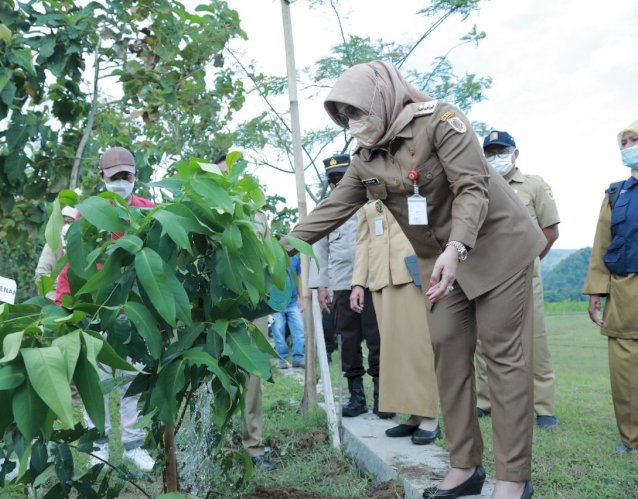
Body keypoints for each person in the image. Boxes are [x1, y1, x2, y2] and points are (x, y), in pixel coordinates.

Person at [283, 61, 544, 499]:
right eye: (343, 115)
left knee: (503, 358)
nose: (352, 123)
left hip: (494, 249)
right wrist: (270, 250)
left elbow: (472, 188)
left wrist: (457, 248)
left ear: (381, 98)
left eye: (357, 110)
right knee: (447, 356)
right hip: (440, 266)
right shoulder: (366, 159)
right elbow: (329, 212)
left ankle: (514, 479)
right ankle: (465, 468)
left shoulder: (442, 120)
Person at [56, 146, 155, 471]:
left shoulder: (149, 212)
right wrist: (63, 306)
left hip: (136, 313)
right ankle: (98, 447)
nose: (121, 182)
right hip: (97, 313)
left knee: (131, 380)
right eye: (115, 177)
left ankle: (133, 446)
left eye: (126, 176)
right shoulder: (87, 214)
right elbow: (71, 263)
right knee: (94, 384)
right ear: (102, 178)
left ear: (135, 176)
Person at [474, 130, 561, 429]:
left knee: (535, 341)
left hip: (524, 275)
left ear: (515, 153)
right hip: (488, 277)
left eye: (501, 151)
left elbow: (550, 232)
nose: (495, 157)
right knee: (484, 343)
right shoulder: (479, 186)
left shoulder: (534, 185)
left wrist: (531, 260)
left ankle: (544, 407)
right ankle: (484, 402)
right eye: (490, 152)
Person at [350, 200, 440, 445]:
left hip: (411, 274)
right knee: (395, 350)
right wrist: (358, 282)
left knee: (417, 346)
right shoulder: (367, 202)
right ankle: (413, 414)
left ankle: (429, 416)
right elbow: (363, 243)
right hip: (381, 278)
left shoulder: (410, 186)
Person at [309, 153, 389, 419]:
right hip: (341, 281)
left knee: (377, 338)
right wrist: (321, 286)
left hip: (372, 280)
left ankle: (383, 395)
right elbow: (319, 249)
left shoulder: (374, 202)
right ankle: (357, 396)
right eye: (333, 181)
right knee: (349, 341)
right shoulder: (326, 207)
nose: (337, 185)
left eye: (342, 179)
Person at [215, 154, 276, 471]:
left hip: (252, 308)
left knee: (253, 377)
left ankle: (253, 447)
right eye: (225, 173)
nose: (231, 178)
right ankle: (216, 443)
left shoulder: (258, 215)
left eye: (236, 172)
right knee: (217, 376)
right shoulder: (207, 211)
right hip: (214, 308)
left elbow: (267, 260)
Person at [582, 119, 638, 454]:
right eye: (626, 141)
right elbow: (602, 243)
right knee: (625, 368)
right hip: (625, 288)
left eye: (637, 139)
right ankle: (631, 439)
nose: (630, 146)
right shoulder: (615, 194)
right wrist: (596, 292)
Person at [34, 206, 78, 300]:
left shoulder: (88, 242)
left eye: (69, 222)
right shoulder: (54, 243)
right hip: (56, 294)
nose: (66, 226)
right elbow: (41, 274)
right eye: (64, 222)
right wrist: (61, 282)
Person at [270, 254, 305, 369]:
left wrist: (302, 298)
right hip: (276, 303)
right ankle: (282, 359)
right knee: (278, 331)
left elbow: (299, 278)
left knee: (299, 330)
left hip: (293, 303)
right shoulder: (271, 255)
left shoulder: (295, 258)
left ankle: (298, 359)